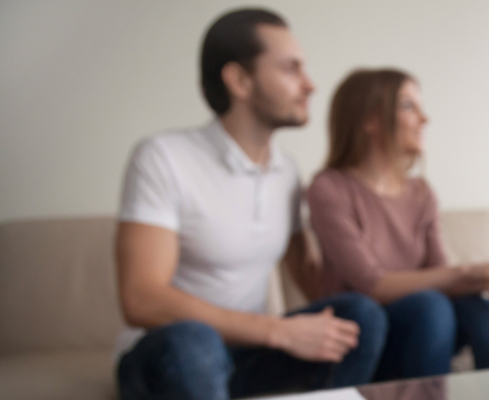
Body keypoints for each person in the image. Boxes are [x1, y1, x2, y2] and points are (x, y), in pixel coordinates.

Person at [114, 9, 387, 400]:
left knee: (360, 316)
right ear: (240, 81)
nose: (310, 85)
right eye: (291, 70)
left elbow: (309, 276)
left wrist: (380, 275)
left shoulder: (286, 170)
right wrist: (277, 331)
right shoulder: (162, 157)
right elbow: (141, 298)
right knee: (194, 340)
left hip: (247, 356)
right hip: (167, 355)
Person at [304, 68, 489, 380]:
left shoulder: (422, 193)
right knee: (430, 304)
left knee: (475, 306)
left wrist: (488, 282)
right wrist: (472, 271)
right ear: (370, 120)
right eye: (409, 106)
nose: (424, 119)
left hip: (428, 329)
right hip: (366, 336)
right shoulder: (328, 188)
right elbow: (371, 284)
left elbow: (440, 272)